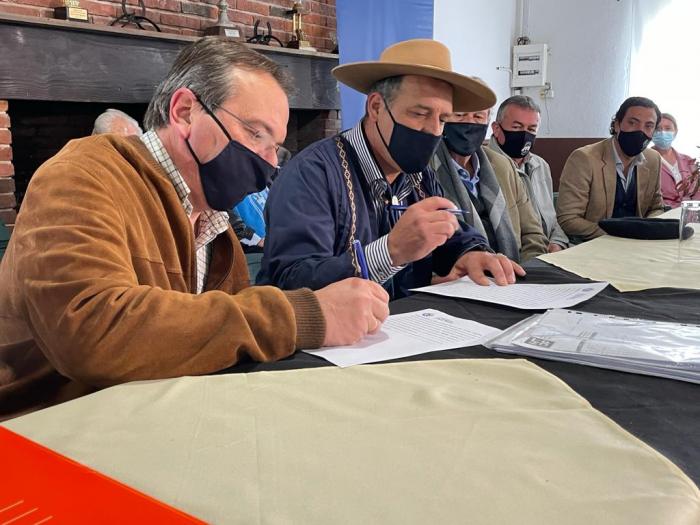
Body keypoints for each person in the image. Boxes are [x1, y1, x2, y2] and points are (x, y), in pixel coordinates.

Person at [0, 37, 389, 418]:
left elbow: (216, 347)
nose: (270, 165)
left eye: (276, 147)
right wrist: (303, 316)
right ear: (185, 111)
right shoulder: (81, 176)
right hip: (45, 429)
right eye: (255, 134)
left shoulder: (214, 226)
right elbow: (88, 331)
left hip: (148, 421)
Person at [258, 39, 525, 299]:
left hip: (407, 331)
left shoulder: (420, 177)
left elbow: (450, 231)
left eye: (443, 119)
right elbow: (291, 282)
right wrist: (390, 251)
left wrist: (470, 253)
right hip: (328, 342)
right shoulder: (313, 175)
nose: (433, 130)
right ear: (375, 107)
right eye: (419, 114)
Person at [431, 107, 547, 262]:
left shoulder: (503, 166)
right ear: (442, 119)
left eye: (478, 116)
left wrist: (527, 271)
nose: (470, 123)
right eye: (459, 115)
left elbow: (532, 233)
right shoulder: (425, 171)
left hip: (515, 274)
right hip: (460, 278)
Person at [556, 96, 664, 242]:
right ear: (617, 124)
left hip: (638, 244)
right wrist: (616, 238)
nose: (640, 131)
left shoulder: (653, 159)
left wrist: (646, 229)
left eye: (649, 126)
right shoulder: (584, 158)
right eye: (633, 123)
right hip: (592, 245)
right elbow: (568, 218)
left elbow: (656, 207)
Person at [488, 95, 569, 252]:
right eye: (517, 127)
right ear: (496, 129)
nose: (525, 135)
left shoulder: (541, 166)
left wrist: (557, 243)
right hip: (516, 258)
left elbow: (551, 219)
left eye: (531, 129)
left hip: (550, 252)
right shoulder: (485, 167)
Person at [651, 112, 700, 207]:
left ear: (675, 132)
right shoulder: (645, 160)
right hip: (662, 213)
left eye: (668, 128)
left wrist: (692, 209)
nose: (662, 132)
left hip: (690, 212)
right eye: (657, 129)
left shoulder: (688, 160)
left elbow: (697, 189)